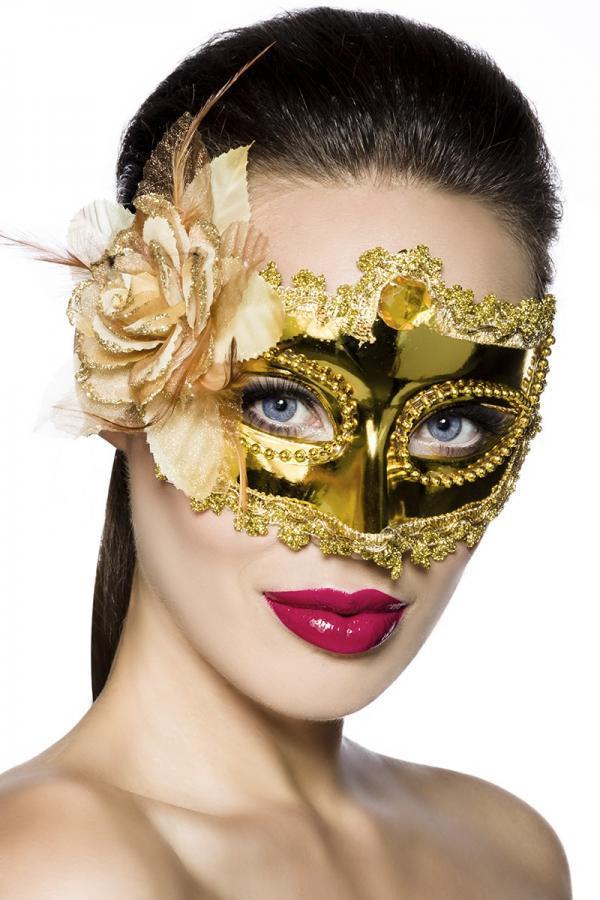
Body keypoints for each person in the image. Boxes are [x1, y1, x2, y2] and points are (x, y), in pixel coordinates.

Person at [0, 7, 572, 898]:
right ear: (123, 378)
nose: (370, 529)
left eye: (449, 424)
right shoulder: (58, 869)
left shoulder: (508, 853)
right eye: (281, 402)